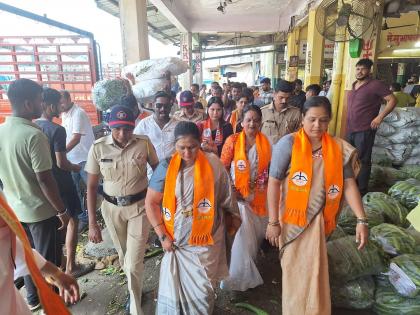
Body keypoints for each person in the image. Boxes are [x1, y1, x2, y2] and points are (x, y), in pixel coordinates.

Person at [266, 96, 368, 315]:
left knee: (315, 271)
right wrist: (272, 221)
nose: (317, 126)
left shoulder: (337, 148)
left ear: (329, 120)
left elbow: (349, 184)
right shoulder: (288, 144)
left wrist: (361, 219)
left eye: (323, 120)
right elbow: (273, 183)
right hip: (291, 221)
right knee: (295, 273)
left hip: (320, 220)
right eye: (312, 119)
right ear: (302, 118)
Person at [145, 121, 241, 314]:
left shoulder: (213, 163)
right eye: (182, 148)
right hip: (176, 243)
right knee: (176, 292)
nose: (187, 153)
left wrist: (231, 220)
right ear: (174, 145)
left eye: (192, 147)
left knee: (204, 293)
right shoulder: (166, 167)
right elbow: (151, 203)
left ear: (200, 143)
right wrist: (163, 236)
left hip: (207, 241)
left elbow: (225, 197)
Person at [0, 79, 70, 311]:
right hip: (40, 211)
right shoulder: (34, 135)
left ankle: (32, 299)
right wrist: (61, 210)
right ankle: (48, 300)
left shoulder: (2, 131)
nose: (43, 105)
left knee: (27, 258)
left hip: (14, 212)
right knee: (45, 262)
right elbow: (44, 178)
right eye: (41, 100)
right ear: (29, 104)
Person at [86, 105, 159, 315]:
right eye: (117, 129)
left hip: (139, 208)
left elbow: (158, 171)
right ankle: (133, 289)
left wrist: (158, 203)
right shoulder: (98, 148)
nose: (122, 134)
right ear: (110, 126)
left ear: (133, 126)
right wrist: (93, 223)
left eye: (127, 129)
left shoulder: (143, 143)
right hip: (111, 210)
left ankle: (135, 308)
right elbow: (91, 187)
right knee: (125, 256)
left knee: (134, 262)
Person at [35, 88, 93, 278]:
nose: (60, 108)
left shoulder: (34, 127)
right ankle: (71, 266)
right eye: (58, 105)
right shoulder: (56, 130)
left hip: (45, 185)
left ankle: (60, 265)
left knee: (58, 224)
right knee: (72, 222)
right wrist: (76, 168)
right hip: (61, 182)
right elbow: (62, 162)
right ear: (50, 105)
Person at [0, 193, 79, 315]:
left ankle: (35, 300)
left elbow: (10, 244)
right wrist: (62, 211)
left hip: (23, 211)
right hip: (39, 212)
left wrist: (55, 273)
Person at [220, 105, 271, 291]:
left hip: (259, 198)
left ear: (261, 123)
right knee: (241, 236)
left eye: (256, 120)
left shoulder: (266, 144)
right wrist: (233, 190)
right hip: (237, 199)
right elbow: (223, 168)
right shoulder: (232, 141)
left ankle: (249, 263)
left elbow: (270, 171)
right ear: (241, 122)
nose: (252, 123)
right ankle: (239, 278)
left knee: (254, 237)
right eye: (248, 119)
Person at [346, 58, 397, 196]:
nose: (359, 71)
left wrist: (380, 117)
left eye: (363, 69)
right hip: (350, 128)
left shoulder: (376, 85)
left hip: (364, 129)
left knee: (363, 160)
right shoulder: (354, 84)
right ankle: (351, 186)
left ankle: (361, 190)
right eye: (358, 68)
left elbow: (392, 100)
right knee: (350, 158)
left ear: (369, 70)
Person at [60, 90, 95, 230]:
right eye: (59, 103)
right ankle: (84, 218)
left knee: (94, 188)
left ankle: (109, 208)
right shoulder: (65, 114)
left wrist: (61, 152)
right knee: (75, 191)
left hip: (85, 158)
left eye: (62, 102)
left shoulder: (78, 113)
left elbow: (76, 138)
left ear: (69, 99)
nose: (60, 105)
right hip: (71, 160)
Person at [134, 91, 179, 161]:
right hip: (152, 170)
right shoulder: (143, 125)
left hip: (174, 168)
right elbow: (135, 146)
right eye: (159, 106)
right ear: (153, 106)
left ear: (170, 107)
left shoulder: (178, 125)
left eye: (166, 106)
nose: (163, 109)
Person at [261, 80, 302, 145]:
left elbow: (299, 134)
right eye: (281, 97)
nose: (284, 101)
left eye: (288, 98)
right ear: (274, 94)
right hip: (266, 151)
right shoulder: (263, 112)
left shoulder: (296, 113)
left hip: (288, 152)